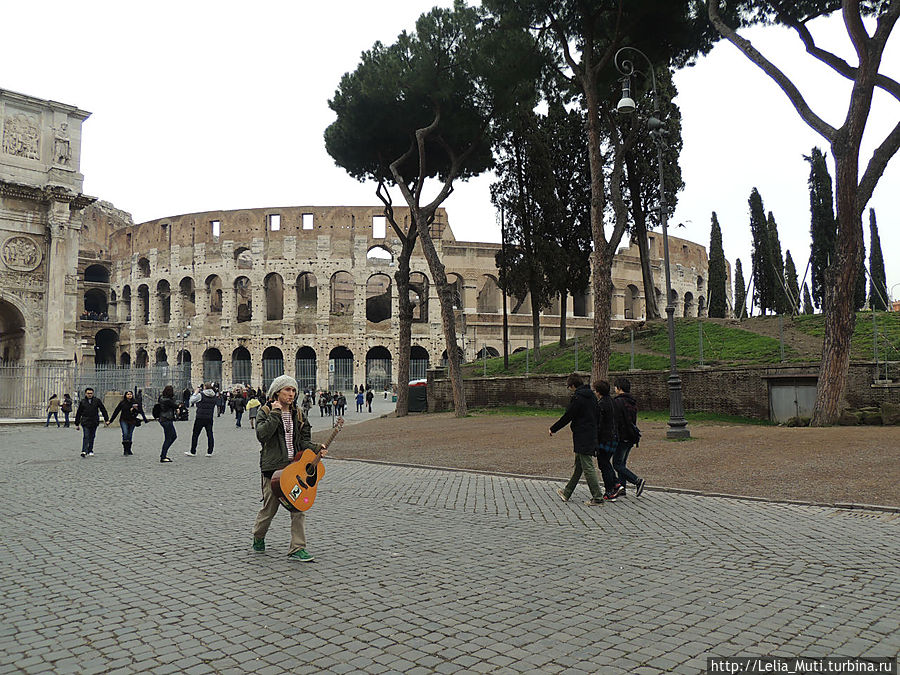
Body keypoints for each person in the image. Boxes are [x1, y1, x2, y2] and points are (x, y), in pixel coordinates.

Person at [252, 374, 326, 562]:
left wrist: (316, 449)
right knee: (269, 510)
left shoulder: (299, 414)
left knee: (298, 509)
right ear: (277, 392)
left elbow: (304, 441)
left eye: (293, 390)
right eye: (287, 390)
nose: (291, 394)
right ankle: (258, 535)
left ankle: (297, 548)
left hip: (294, 469)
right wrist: (276, 414)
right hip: (273, 470)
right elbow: (262, 435)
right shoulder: (266, 411)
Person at [549, 373, 604, 506]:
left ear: (573, 386)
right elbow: (598, 415)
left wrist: (553, 428)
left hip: (582, 435)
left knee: (587, 466)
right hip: (590, 433)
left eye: (569, 387)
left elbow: (568, 416)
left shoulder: (578, 398)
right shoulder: (592, 396)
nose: (570, 389)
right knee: (579, 466)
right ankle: (567, 492)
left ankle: (597, 497)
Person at [612, 377, 646, 498]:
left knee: (616, 464)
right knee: (622, 463)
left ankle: (637, 481)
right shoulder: (632, 401)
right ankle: (622, 488)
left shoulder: (617, 402)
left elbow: (616, 421)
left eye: (615, 387)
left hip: (622, 436)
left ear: (619, 388)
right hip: (631, 435)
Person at [593, 380, 621, 501]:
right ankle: (615, 483)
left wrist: (595, 439)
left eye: (595, 390)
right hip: (614, 436)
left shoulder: (602, 404)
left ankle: (610, 489)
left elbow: (599, 424)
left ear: (598, 392)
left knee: (603, 463)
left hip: (605, 438)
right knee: (606, 462)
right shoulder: (613, 402)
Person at [107, 390, 149, 456]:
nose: (129, 395)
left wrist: (144, 418)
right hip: (124, 420)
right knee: (125, 433)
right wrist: (110, 420)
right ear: (125, 395)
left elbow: (140, 411)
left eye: (130, 394)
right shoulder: (122, 403)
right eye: (128, 394)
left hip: (132, 420)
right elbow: (116, 411)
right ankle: (125, 450)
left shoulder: (135, 402)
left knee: (130, 435)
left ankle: (129, 449)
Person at [74, 387, 109, 458]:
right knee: (86, 436)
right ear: (85, 394)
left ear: (93, 393)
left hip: (94, 421)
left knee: (92, 436)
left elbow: (103, 409)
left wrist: (106, 419)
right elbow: (79, 413)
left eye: (91, 393)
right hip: (85, 421)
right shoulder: (82, 401)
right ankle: (84, 450)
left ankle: (90, 450)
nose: (89, 395)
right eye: (88, 393)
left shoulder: (97, 401)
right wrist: (77, 423)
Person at [187, 384, 218, 456]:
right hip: (209, 417)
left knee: (195, 434)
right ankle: (209, 452)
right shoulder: (214, 396)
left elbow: (191, 401)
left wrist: (195, 393)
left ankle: (193, 451)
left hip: (200, 417)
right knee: (210, 434)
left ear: (205, 387)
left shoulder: (201, 395)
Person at [156, 385, 178, 463]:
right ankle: (163, 456)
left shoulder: (161, 398)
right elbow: (175, 406)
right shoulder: (168, 400)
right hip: (167, 419)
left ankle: (163, 454)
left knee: (172, 437)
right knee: (169, 438)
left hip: (162, 419)